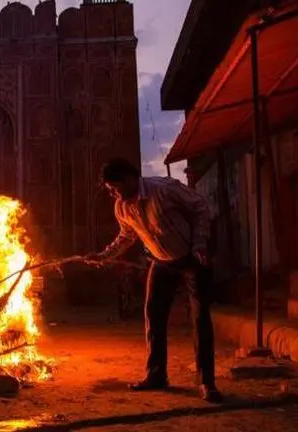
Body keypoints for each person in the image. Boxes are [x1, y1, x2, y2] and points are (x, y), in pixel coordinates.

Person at [85, 158, 223, 403]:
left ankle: (206, 383)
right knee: (154, 315)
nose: (114, 194)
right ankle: (156, 375)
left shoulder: (164, 189)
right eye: (110, 190)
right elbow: (126, 236)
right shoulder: (122, 207)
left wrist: (200, 242)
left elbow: (200, 205)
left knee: (200, 318)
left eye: (115, 187)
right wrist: (104, 256)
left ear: (129, 179)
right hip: (160, 262)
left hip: (191, 257)